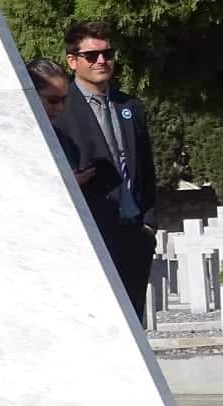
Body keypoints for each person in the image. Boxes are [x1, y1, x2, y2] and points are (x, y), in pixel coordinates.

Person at [53, 21, 158, 323]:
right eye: (91, 55)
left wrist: (149, 224)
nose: (101, 61)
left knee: (133, 324)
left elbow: (146, 168)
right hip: (90, 235)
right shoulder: (59, 109)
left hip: (134, 234)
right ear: (72, 61)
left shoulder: (130, 107)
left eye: (107, 54)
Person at [27, 56, 97, 186]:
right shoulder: (10, 137)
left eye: (64, 99)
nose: (60, 108)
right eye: (53, 100)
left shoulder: (59, 137)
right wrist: (63, 184)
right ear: (31, 96)